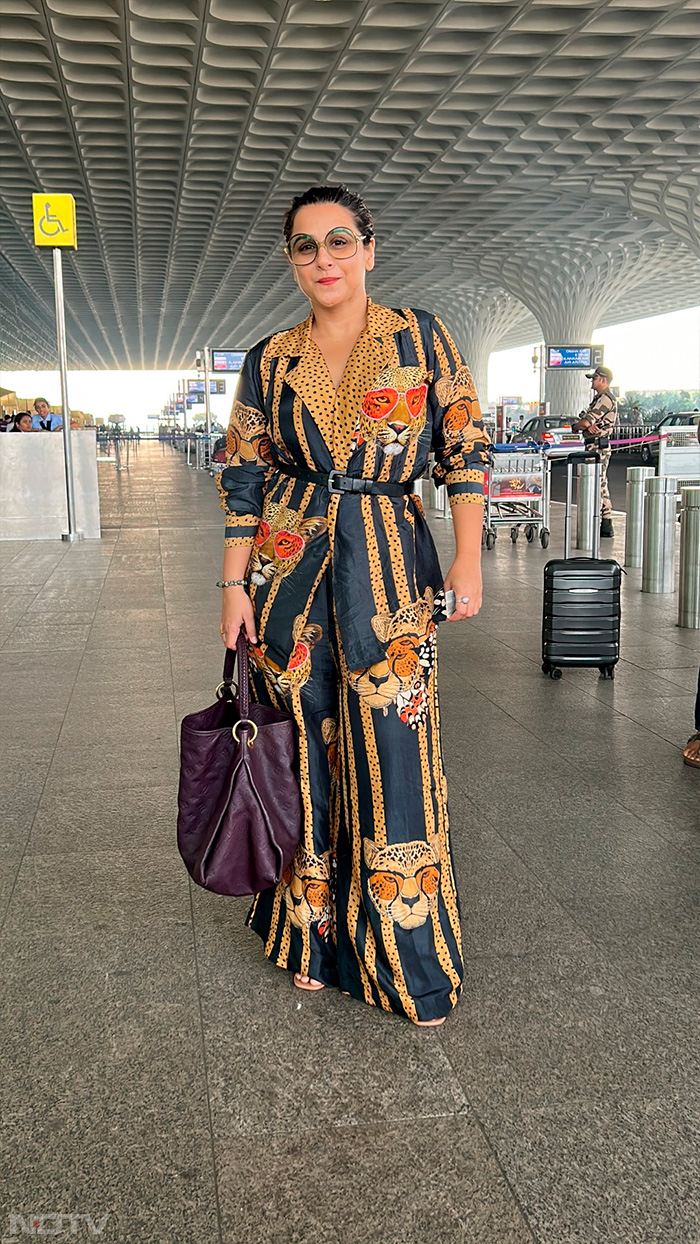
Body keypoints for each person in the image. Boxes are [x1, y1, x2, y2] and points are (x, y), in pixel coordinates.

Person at [218, 184, 489, 1026]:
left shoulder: (423, 337)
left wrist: (470, 561)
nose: (324, 258)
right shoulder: (270, 358)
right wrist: (233, 586)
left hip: (388, 564)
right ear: (291, 261)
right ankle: (311, 935)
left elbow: (465, 449)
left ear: (370, 250)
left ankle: (407, 956)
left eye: (340, 241)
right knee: (301, 743)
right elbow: (244, 478)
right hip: (289, 568)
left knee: (394, 748)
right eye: (306, 246)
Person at [573, 365, 618, 538]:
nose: (592, 381)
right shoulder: (600, 398)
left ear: (603, 380)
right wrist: (584, 424)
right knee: (601, 484)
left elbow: (585, 423)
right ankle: (605, 523)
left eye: (594, 378)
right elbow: (587, 423)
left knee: (595, 484)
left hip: (597, 446)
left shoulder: (605, 399)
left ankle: (595, 521)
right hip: (596, 445)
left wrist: (577, 426)